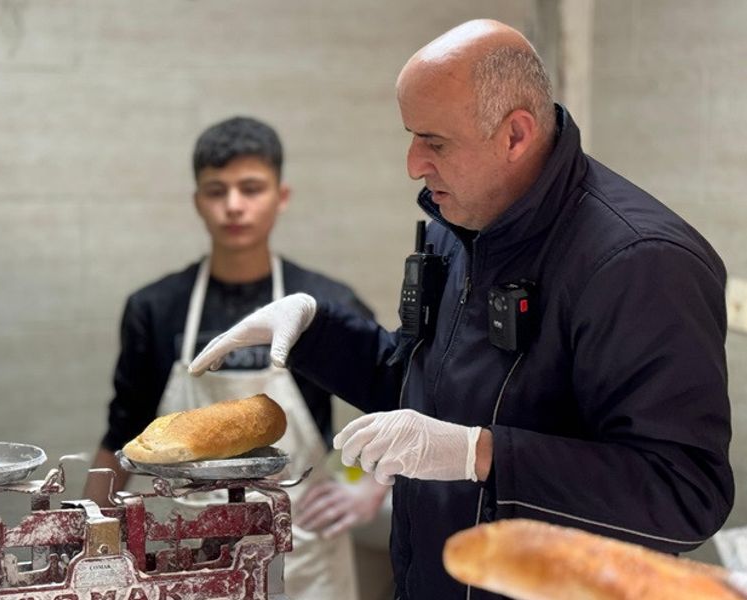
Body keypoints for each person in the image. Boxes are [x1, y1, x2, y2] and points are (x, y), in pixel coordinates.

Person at [189, 20, 734, 600]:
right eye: (411, 136)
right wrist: (316, 332)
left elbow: (684, 496)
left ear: (515, 135)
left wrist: (481, 453)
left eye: (435, 142)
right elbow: (420, 389)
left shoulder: (640, 263)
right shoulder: (464, 225)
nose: (413, 164)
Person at [84, 116, 389, 600]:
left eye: (251, 188)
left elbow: (396, 401)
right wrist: (87, 539)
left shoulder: (326, 307)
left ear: (281, 196)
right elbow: (123, 431)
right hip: (182, 552)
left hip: (302, 557)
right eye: (216, 191)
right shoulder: (156, 308)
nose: (233, 206)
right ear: (196, 201)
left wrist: (372, 488)